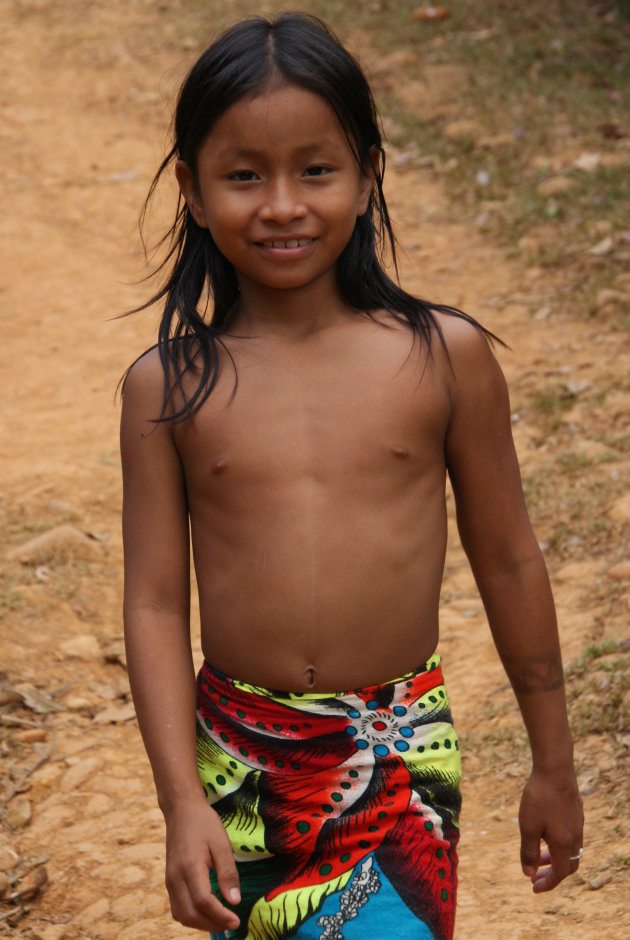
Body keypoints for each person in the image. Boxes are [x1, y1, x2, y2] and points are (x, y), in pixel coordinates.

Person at [120, 12, 583, 940]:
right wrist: (182, 804)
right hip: (239, 759)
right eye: (244, 174)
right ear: (194, 191)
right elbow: (157, 604)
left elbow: (510, 562)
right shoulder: (167, 387)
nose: (282, 203)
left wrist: (554, 763)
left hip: (400, 757)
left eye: (316, 170)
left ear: (368, 175)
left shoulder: (444, 358)